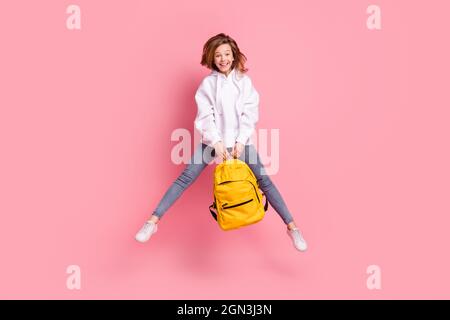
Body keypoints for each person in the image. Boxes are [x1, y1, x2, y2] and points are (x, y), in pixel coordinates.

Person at [135, 33, 307, 252]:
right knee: (185, 177)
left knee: (264, 180)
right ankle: (152, 222)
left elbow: (250, 114)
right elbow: (205, 116)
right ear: (212, 58)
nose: (223, 59)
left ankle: (292, 228)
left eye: (227, 54)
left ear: (234, 55)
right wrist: (215, 142)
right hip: (212, 143)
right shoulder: (207, 85)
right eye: (218, 55)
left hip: (240, 143)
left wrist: (240, 141)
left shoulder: (244, 83)